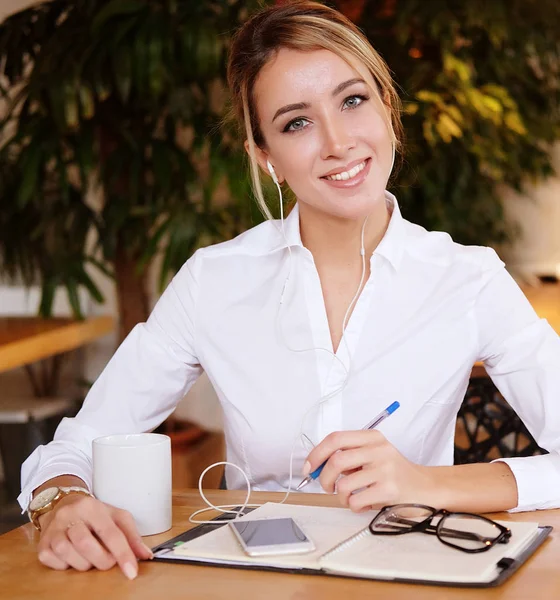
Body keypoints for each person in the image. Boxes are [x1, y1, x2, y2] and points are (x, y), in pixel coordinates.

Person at [19, 0, 560, 580]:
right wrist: (62, 503)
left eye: (353, 100)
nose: (337, 142)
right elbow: (75, 448)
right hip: (254, 582)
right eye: (295, 122)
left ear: (387, 107)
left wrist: (423, 481)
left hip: (414, 579)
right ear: (265, 155)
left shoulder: (468, 277)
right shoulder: (213, 281)